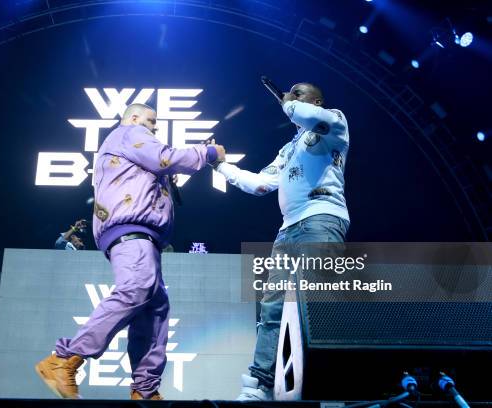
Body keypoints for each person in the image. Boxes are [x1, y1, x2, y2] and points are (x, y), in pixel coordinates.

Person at [35, 103, 225, 400]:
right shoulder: (129, 133)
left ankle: (145, 389)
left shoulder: (128, 146)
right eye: (151, 121)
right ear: (134, 118)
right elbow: (165, 157)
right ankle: (64, 359)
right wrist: (209, 153)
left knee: (155, 307)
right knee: (136, 288)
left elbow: (156, 166)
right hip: (131, 228)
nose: (154, 127)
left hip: (143, 234)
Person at [214, 83, 350, 401]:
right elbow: (261, 185)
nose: (292, 96)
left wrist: (288, 103)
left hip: (322, 220)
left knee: (315, 305)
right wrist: (220, 166)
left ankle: (325, 385)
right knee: (273, 306)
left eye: (298, 93)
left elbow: (308, 115)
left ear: (316, 100)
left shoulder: (333, 121)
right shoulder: (289, 148)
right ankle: (261, 383)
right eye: (289, 93)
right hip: (287, 231)